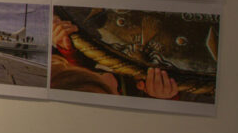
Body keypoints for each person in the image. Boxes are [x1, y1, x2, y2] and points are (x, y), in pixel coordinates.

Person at [51, 16, 180, 99]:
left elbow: (77, 64)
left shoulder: (70, 79)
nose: (108, 76)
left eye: (97, 77)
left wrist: (66, 45)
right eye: (111, 90)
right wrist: (164, 95)